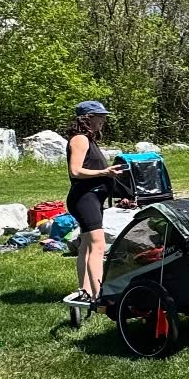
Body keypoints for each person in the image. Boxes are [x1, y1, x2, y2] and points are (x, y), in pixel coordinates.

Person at [64, 100, 125, 305]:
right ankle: (100, 295)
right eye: (100, 116)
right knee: (98, 245)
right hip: (84, 198)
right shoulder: (80, 139)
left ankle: (86, 290)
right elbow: (75, 171)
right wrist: (104, 172)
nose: (103, 120)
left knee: (87, 246)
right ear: (88, 118)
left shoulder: (89, 139)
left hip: (91, 197)